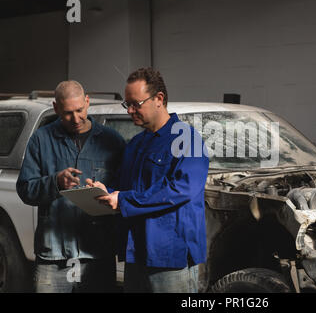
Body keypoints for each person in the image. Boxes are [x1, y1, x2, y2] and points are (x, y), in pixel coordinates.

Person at [86, 67, 209, 293]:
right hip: (136, 253)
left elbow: (182, 188)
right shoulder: (136, 144)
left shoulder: (187, 138)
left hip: (170, 257)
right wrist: (105, 190)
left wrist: (122, 200)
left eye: (136, 104)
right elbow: (126, 188)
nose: (130, 110)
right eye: (127, 105)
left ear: (159, 99)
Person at [16, 80, 126, 293]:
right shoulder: (41, 139)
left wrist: (108, 192)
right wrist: (55, 182)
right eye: (67, 113)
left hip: (97, 253)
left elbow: (126, 190)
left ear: (87, 101)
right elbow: (25, 189)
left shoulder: (112, 141)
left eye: (79, 110)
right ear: (55, 107)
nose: (75, 118)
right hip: (53, 255)